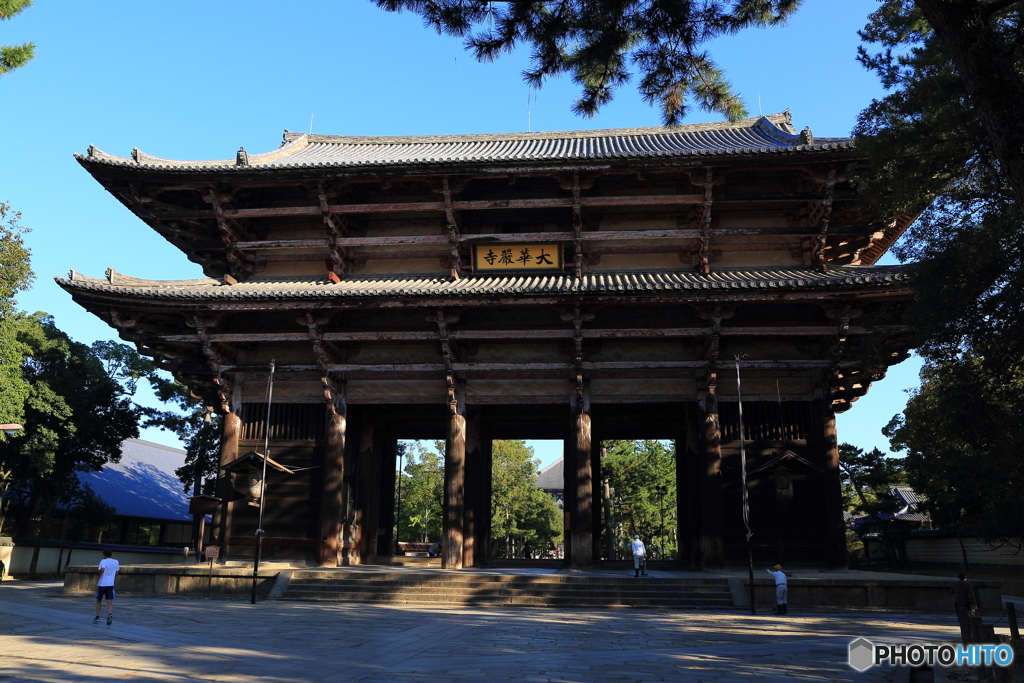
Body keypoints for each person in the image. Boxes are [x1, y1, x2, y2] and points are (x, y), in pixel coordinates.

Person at [93, 549, 119, 625]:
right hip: (110, 583)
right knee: (109, 599)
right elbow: (117, 572)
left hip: (102, 583)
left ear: (104, 555)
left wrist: (98, 575)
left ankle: (97, 616)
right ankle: (110, 614)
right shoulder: (116, 561)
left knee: (99, 600)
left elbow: (102, 569)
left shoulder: (103, 561)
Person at [952, 572, 977, 644]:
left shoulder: (955, 584)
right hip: (966, 604)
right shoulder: (968, 585)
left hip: (958, 603)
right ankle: (969, 635)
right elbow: (972, 595)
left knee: (961, 619)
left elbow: (951, 591)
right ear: (965, 578)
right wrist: (975, 604)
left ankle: (963, 633)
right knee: (969, 619)